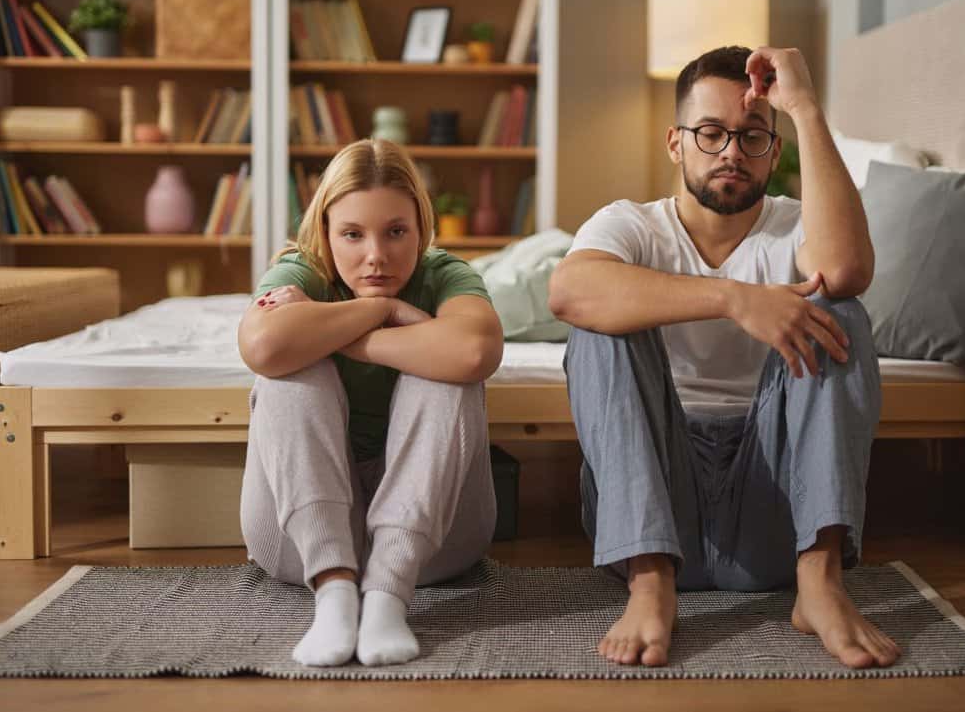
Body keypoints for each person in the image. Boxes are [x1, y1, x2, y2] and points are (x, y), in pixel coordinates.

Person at [548, 45, 901, 669]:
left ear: (776, 149)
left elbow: (846, 269)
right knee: (600, 322)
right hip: (655, 504)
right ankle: (650, 583)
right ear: (675, 143)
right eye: (710, 134)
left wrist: (805, 107)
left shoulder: (797, 226)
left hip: (776, 509)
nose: (731, 152)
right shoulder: (631, 224)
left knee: (838, 305)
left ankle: (819, 586)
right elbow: (569, 293)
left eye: (752, 137)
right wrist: (736, 299)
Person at [237, 138, 502, 668]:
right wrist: (386, 310)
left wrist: (342, 324)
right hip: (296, 546)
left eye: (396, 232)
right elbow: (264, 346)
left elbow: (474, 351)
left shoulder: (447, 274)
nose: (376, 256)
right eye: (352, 235)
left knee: (445, 373)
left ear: (422, 230)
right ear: (326, 232)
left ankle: (385, 596)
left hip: (435, 545)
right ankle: (334, 592)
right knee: (290, 370)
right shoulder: (301, 272)